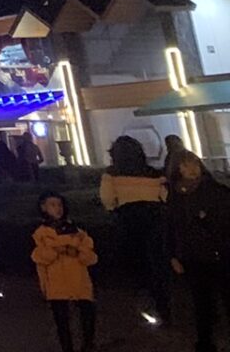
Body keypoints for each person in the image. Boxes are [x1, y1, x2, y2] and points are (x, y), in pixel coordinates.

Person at [99, 134, 170, 325]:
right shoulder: (153, 173)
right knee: (156, 261)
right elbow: (164, 195)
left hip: (128, 218)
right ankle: (165, 308)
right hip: (153, 217)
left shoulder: (111, 174)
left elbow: (107, 199)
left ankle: (146, 308)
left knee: (137, 264)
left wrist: (114, 208)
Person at [168, 151, 230, 350]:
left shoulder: (214, 190)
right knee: (201, 302)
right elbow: (171, 227)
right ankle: (205, 342)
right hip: (192, 257)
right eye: (186, 165)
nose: (191, 169)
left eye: (194, 164)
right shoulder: (175, 195)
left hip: (218, 253)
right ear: (178, 169)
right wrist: (173, 255)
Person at [32, 191, 98, 352]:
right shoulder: (40, 233)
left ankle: (87, 345)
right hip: (56, 282)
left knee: (87, 315)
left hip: (79, 280)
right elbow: (39, 256)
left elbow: (91, 257)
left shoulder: (77, 230)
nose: (58, 209)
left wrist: (78, 253)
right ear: (43, 208)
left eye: (59, 204)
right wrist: (57, 250)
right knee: (62, 320)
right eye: (52, 205)